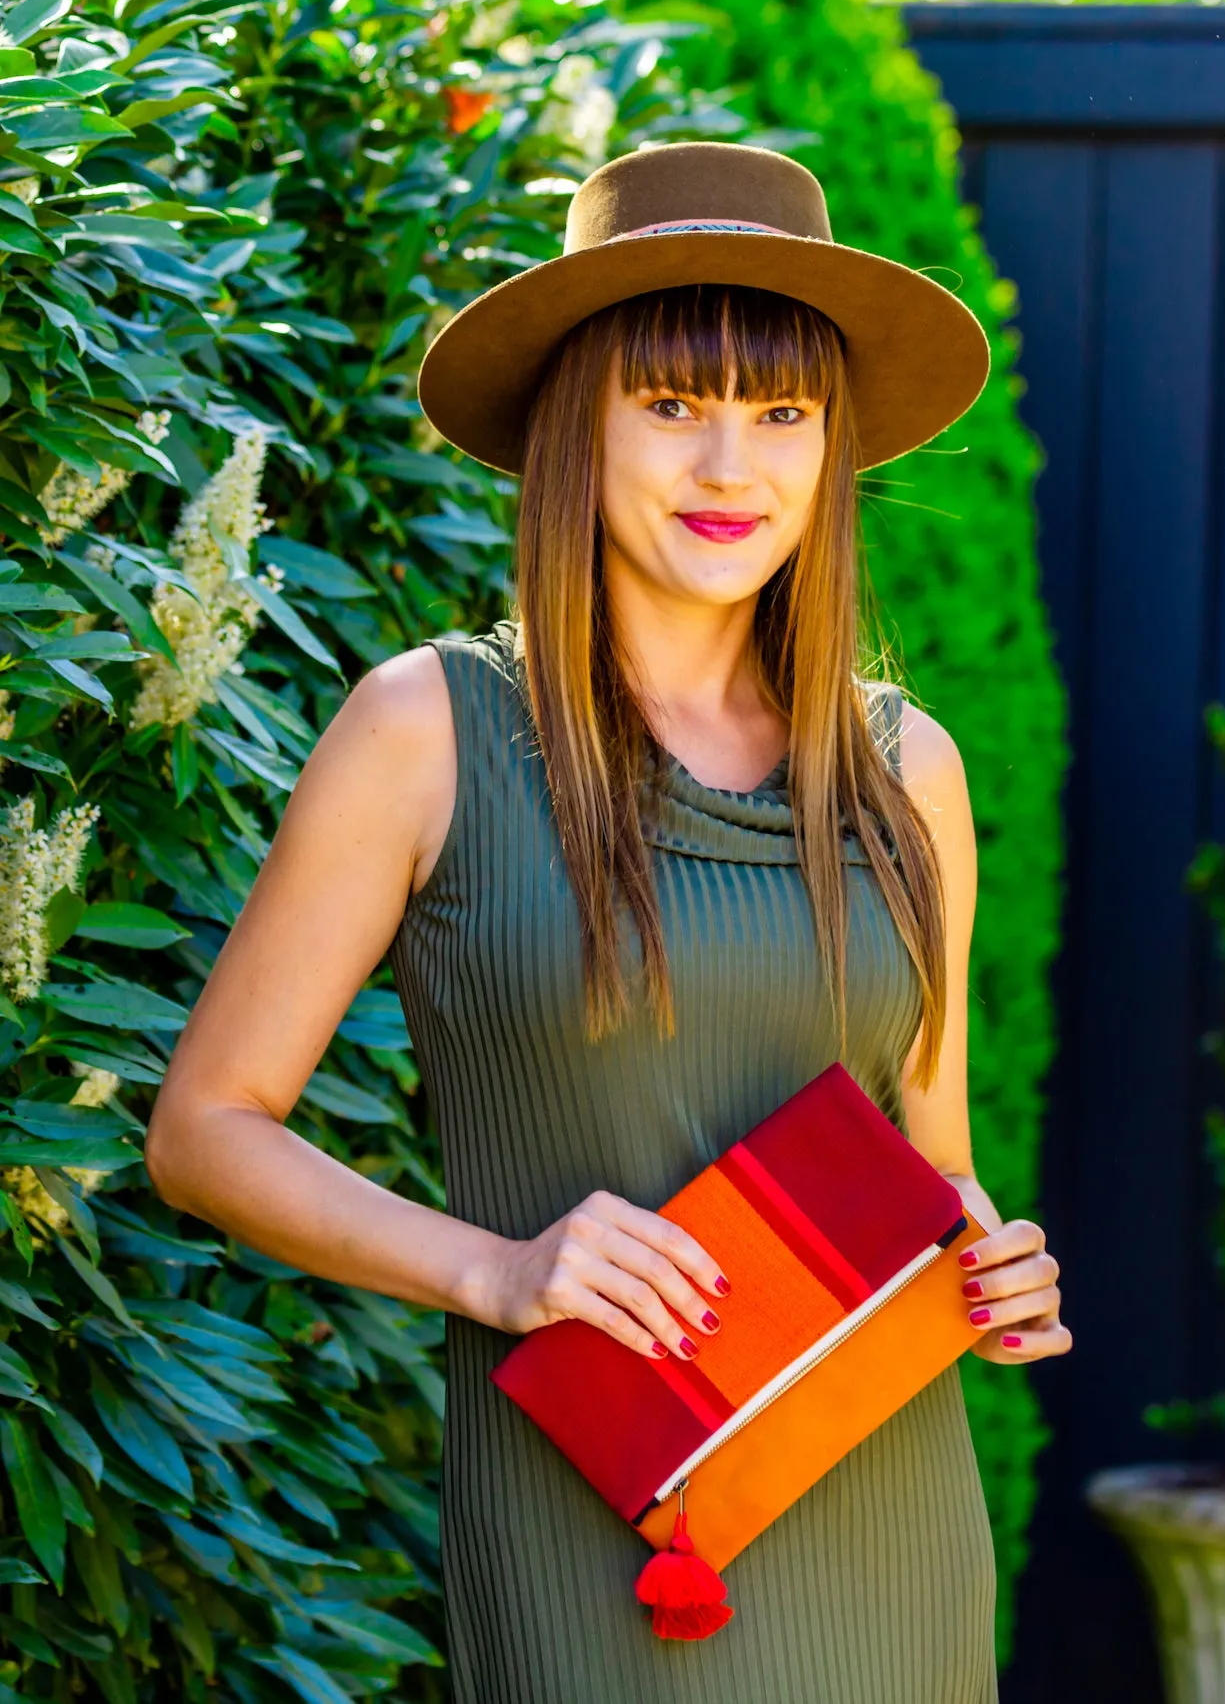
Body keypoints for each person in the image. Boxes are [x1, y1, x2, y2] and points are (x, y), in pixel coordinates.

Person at [145, 142, 1072, 1704]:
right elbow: (203, 1128)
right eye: (672, 402)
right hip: (598, 1535)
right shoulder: (426, 731)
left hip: (883, 1516)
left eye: (782, 413)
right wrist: (500, 1272)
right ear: (579, 420)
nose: (732, 466)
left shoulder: (909, 769)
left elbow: (933, 1152)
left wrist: (991, 1263)